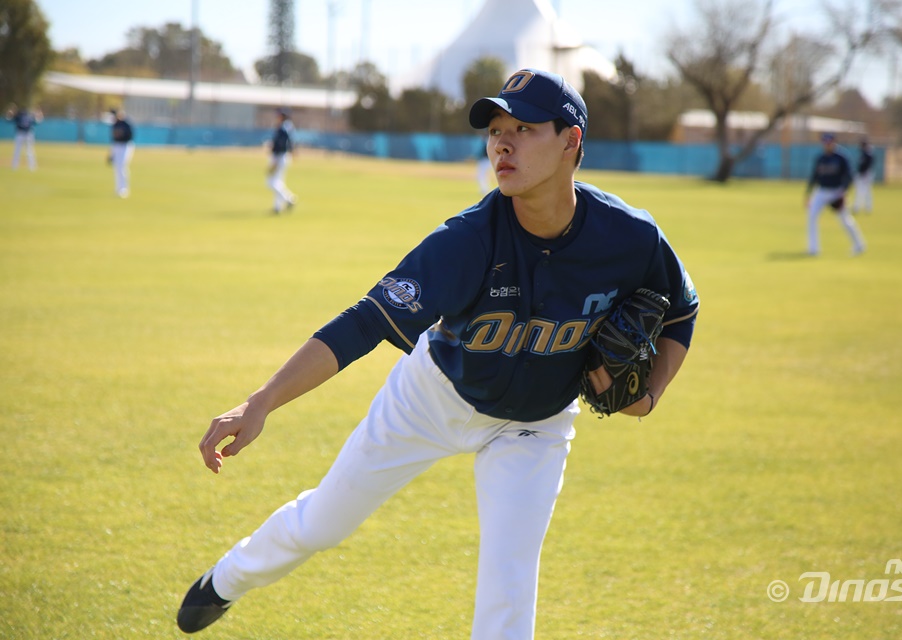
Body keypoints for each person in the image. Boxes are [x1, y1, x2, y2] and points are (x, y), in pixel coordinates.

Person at [176, 68, 700, 639]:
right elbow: (364, 324)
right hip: (431, 399)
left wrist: (650, 395)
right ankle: (227, 579)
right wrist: (262, 401)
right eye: (495, 129)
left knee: (510, 581)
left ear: (570, 140)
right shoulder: (467, 241)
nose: (502, 142)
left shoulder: (630, 237)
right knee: (324, 523)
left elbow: (682, 307)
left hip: (536, 425)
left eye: (522, 128)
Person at [804, 132, 866, 256]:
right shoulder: (820, 158)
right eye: (825, 142)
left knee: (845, 220)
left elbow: (849, 176)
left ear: (834, 142)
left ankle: (859, 245)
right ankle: (813, 248)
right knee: (811, 216)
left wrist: (844, 192)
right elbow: (814, 177)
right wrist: (808, 194)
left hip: (836, 192)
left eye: (829, 142)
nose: (827, 144)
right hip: (821, 192)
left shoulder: (841, 157)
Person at [267, 107, 297, 214]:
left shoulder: (283, 127)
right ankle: (277, 207)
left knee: (270, 182)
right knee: (279, 182)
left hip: (279, 156)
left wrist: (275, 158)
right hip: (282, 156)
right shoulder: (287, 126)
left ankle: (289, 199)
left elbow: (282, 144)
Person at [6, 105, 42, 170]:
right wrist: (39, 114)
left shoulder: (20, 116)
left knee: (24, 151)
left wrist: (10, 113)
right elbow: (38, 121)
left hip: (24, 134)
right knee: (25, 151)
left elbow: (8, 119)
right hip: (25, 134)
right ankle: (30, 167)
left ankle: (17, 167)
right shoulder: (27, 116)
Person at [108, 109, 135, 198]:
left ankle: (124, 189)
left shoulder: (126, 124)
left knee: (122, 166)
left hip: (125, 146)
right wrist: (111, 154)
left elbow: (130, 136)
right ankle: (118, 188)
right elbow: (114, 139)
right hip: (116, 146)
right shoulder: (115, 124)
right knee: (117, 167)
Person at [853, 137, 874, 214]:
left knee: (863, 191)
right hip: (863, 174)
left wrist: (863, 174)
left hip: (865, 174)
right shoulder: (863, 153)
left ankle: (858, 207)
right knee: (865, 191)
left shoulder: (868, 154)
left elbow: (867, 165)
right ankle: (865, 207)